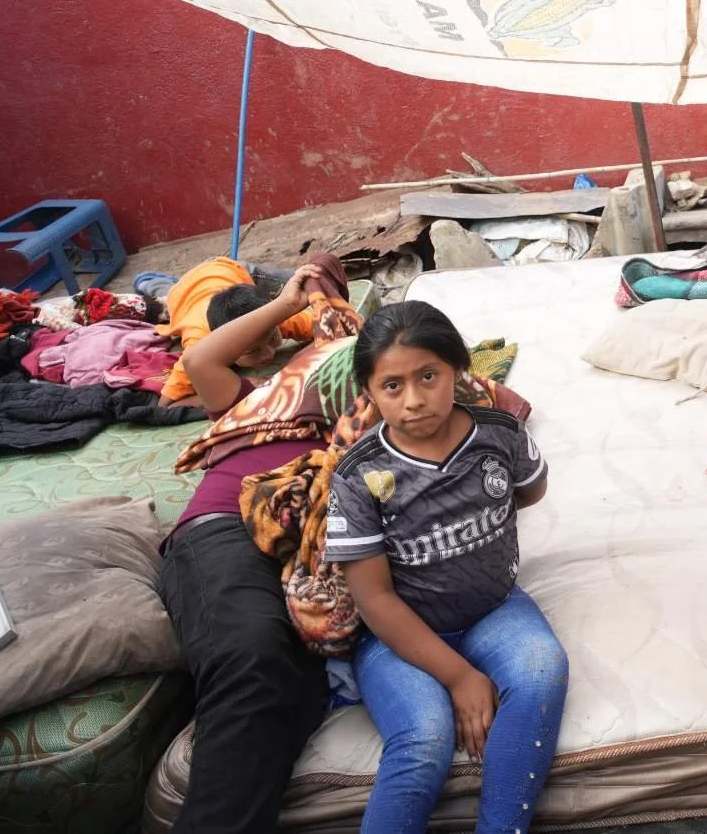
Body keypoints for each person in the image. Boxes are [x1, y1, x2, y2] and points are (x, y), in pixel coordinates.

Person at [325, 302, 567, 834]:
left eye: (428, 376)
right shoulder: (359, 474)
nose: (413, 400)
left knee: (541, 671)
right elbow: (375, 599)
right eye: (392, 386)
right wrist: (459, 678)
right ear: (368, 392)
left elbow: (529, 491)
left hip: (494, 608)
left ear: (458, 371)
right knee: (425, 737)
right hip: (397, 637)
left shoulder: (500, 435)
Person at [158, 262, 351, 834]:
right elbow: (199, 361)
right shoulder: (257, 400)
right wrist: (289, 302)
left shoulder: (368, 415)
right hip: (224, 529)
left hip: (306, 555)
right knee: (253, 656)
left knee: (302, 688)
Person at [156, 253, 353, 404]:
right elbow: (166, 404)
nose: (269, 354)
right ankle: (150, 280)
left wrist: (294, 362)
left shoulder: (275, 321)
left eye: (274, 339)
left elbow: (334, 328)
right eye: (252, 351)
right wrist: (238, 389)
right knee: (162, 291)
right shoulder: (199, 344)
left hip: (229, 270)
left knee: (307, 275)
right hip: (183, 292)